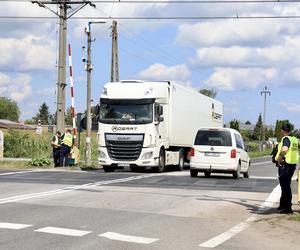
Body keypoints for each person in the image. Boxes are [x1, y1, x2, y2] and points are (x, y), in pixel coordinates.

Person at [275, 123, 299, 214]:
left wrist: (280, 158)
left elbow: (284, 149)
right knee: (284, 185)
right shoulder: (294, 139)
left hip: (285, 164)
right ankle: (282, 205)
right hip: (292, 164)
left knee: (285, 186)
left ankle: (287, 207)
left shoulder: (286, 139)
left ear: (283, 130)